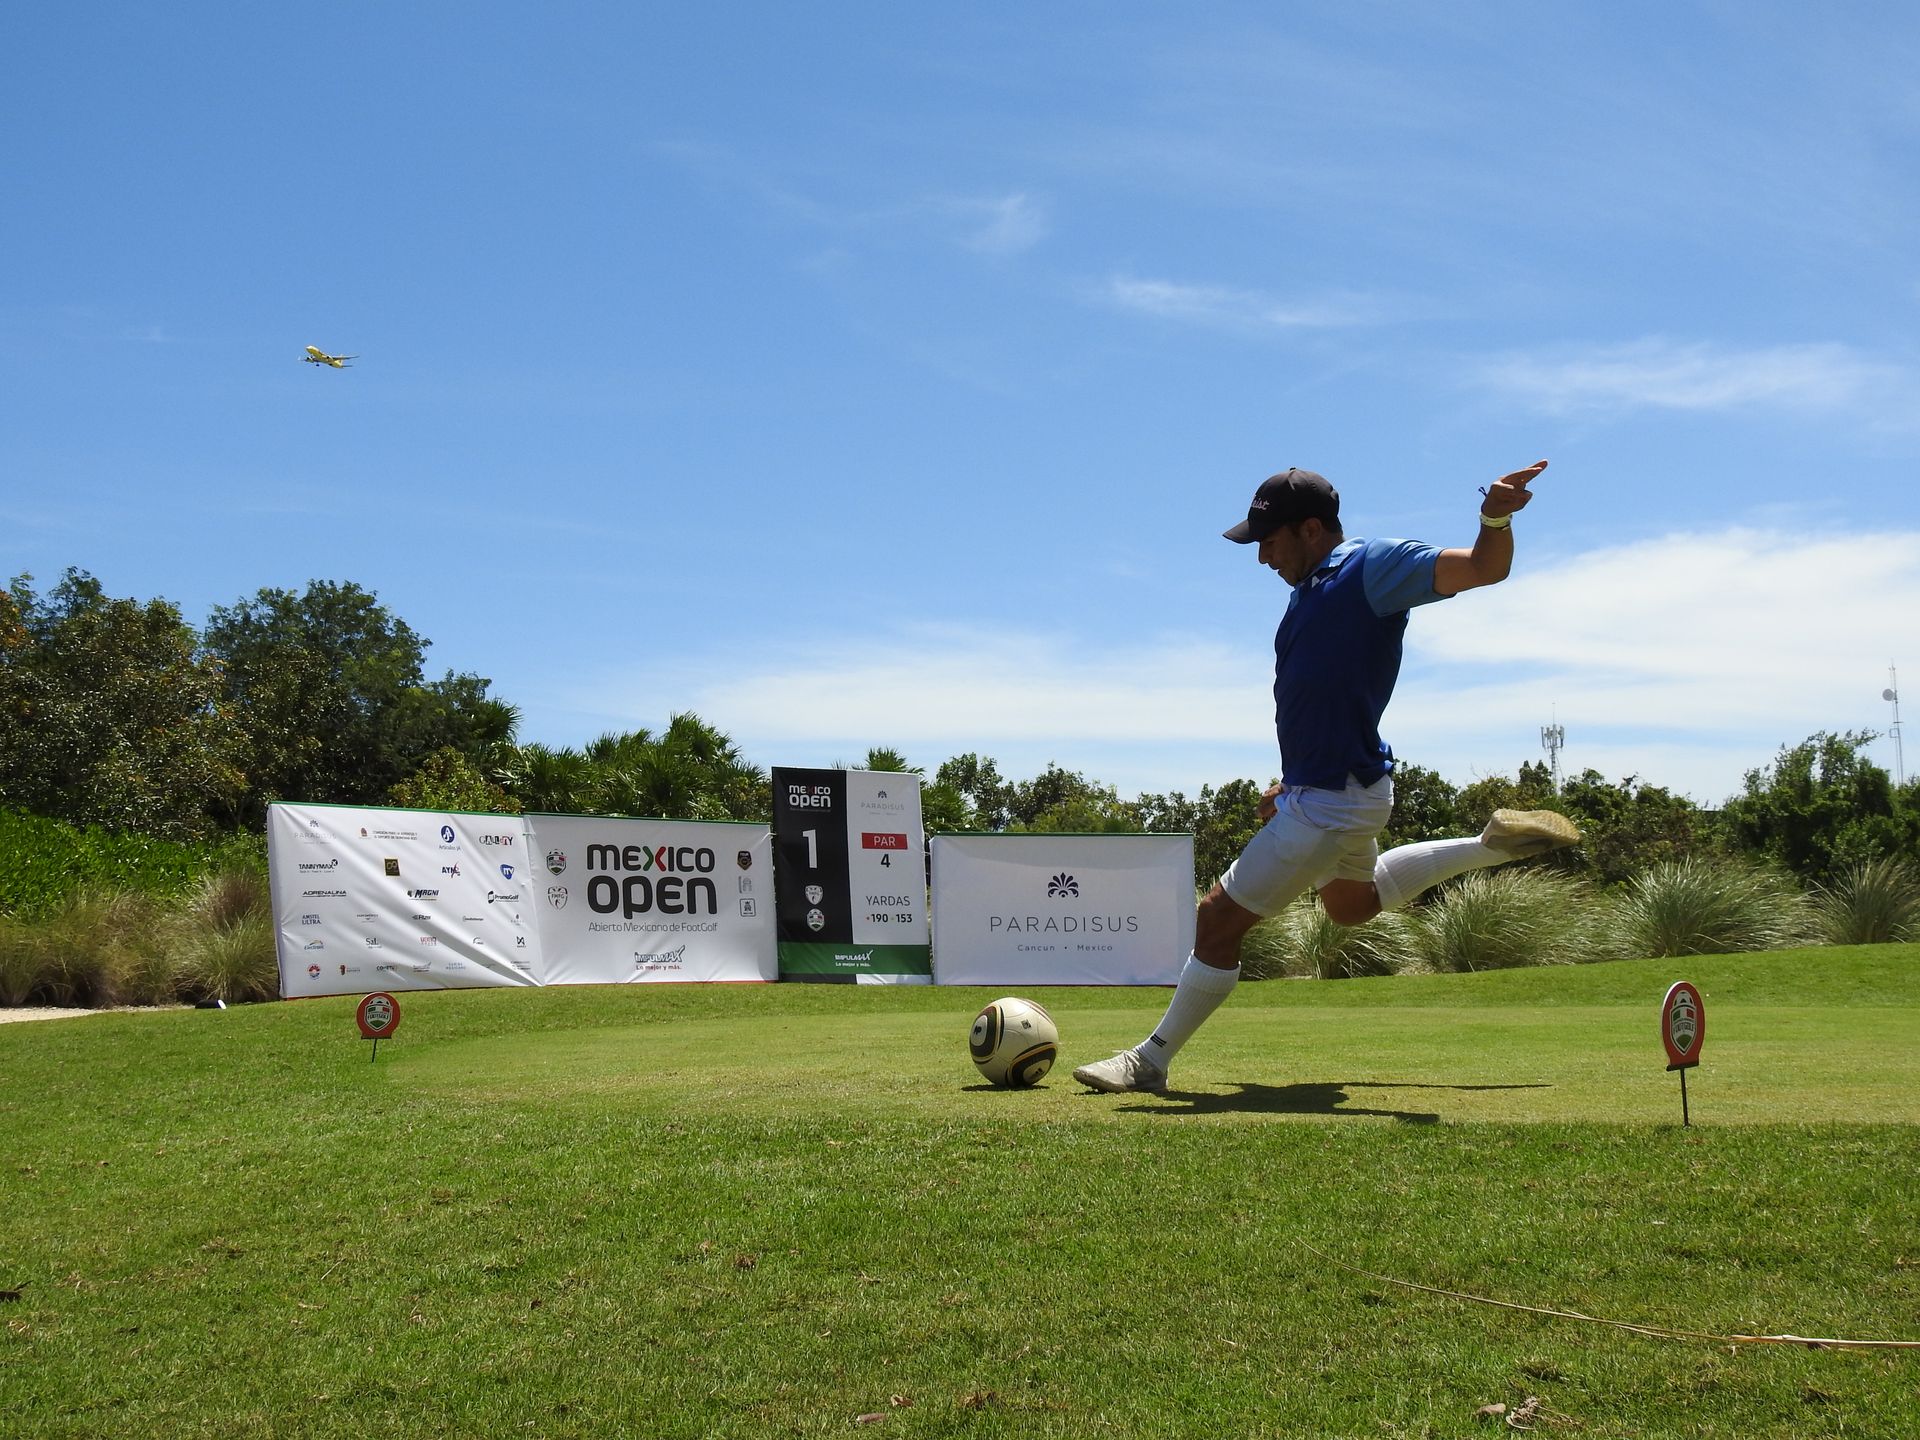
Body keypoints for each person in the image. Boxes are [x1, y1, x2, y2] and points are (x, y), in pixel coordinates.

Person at [1072, 460, 1580, 1096]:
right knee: (1351, 905)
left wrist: (1494, 518)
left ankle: (1150, 1061)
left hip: (1333, 801)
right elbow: (1322, 703)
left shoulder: (1372, 566)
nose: (1262, 558)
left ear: (1311, 529)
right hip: (1344, 789)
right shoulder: (1308, 592)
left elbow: (1483, 568)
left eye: (1269, 542)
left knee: (1217, 920)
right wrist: (1291, 783)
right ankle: (1490, 845)